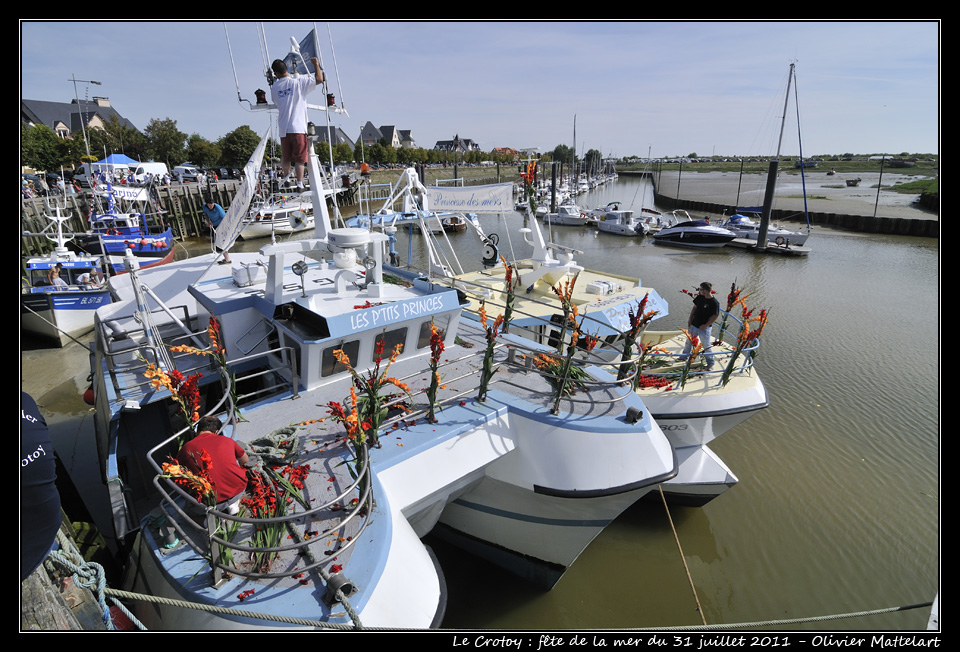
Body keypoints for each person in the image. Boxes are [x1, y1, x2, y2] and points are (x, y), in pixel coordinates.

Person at [270, 56, 324, 189]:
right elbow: (319, 79)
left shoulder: (274, 88)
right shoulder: (298, 83)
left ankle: (287, 180)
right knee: (300, 159)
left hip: (284, 128)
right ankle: (300, 184)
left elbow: (276, 103)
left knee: (286, 158)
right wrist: (316, 64)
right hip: (298, 127)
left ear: (276, 74)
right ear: (286, 69)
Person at [178, 416, 249, 514]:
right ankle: (233, 504)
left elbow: (180, 480)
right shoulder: (227, 440)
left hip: (209, 501)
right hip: (238, 489)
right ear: (216, 431)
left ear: (197, 430)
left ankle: (208, 519)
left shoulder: (185, 449)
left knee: (188, 510)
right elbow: (245, 460)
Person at [681, 281, 720, 370]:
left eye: (701, 289)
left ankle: (710, 363)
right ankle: (684, 356)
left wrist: (706, 325)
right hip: (694, 325)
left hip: (704, 328)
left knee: (706, 345)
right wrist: (690, 320)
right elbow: (694, 308)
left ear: (706, 291)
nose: (700, 291)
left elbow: (715, 316)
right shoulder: (699, 298)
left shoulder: (714, 303)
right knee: (689, 341)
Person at [202, 200, 232, 264]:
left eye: (212, 205)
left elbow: (225, 218)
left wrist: (225, 229)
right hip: (214, 226)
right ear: (207, 204)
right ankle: (226, 258)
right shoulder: (204, 206)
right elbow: (205, 215)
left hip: (221, 225)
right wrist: (209, 222)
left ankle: (227, 260)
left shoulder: (218, 208)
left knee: (222, 243)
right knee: (217, 243)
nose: (211, 207)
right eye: (209, 205)